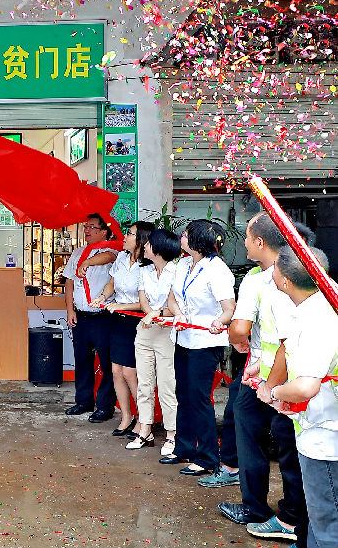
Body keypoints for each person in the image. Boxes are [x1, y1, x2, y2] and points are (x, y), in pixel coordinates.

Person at [216, 214, 310, 546]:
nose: (243, 242)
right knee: (287, 445)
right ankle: (287, 514)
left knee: (274, 442)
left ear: (260, 242)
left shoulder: (264, 280)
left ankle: (280, 515)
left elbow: (246, 330)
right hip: (276, 374)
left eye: (247, 236)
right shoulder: (304, 273)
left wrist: (268, 380)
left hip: (274, 377)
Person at [269, 246, 338, 548]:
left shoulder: (317, 318)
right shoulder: (324, 300)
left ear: (285, 281)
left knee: (327, 522)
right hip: (319, 427)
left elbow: (307, 386)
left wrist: (276, 392)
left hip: (325, 436)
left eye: (276, 268)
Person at [162, 219, 236, 476]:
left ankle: (207, 457)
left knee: (198, 397)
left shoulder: (217, 270)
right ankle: (183, 447)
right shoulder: (183, 264)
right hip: (183, 337)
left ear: (198, 241)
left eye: (186, 234)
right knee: (183, 393)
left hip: (205, 342)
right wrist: (178, 313)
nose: (181, 237)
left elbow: (229, 309)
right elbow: (172, 296)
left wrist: (219, 321)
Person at [89, 221, 155, 437]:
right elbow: (112, 283)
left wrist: (121, 306)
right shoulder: (121, 258)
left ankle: (144, 420)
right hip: (118, 320)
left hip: (137, 322)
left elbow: (149, 302)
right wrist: (103, 297)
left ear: (142, 239)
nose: (125, 237)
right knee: (116, 370)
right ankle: (126, 416)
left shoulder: (149, 265)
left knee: (130, 372)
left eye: (130, 234)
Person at [127, 228, 181, 453]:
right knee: (144, 383)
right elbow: (143, 301)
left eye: (149, 243)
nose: (145, 246)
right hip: (146, 330)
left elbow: (176, 306)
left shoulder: (177, 272)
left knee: (167, 385)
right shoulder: (145, 270)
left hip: (167, 333)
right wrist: (150, 315)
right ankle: (145, 429)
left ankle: (171, 434)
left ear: (159, 248)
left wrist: (156, 315)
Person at [62, 214, 119, 423]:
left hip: (103, 317)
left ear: (104, 232)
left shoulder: (114, 250)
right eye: (85, 226)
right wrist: (70, 310)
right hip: (81, 317)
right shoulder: (77, 252)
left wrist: (88, 261)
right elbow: (69, 282)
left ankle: (105, 406)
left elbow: (108, 257)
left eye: (92, 227)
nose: (86, 230)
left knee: (107, 363)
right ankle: (83, 401)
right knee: (82, 360)